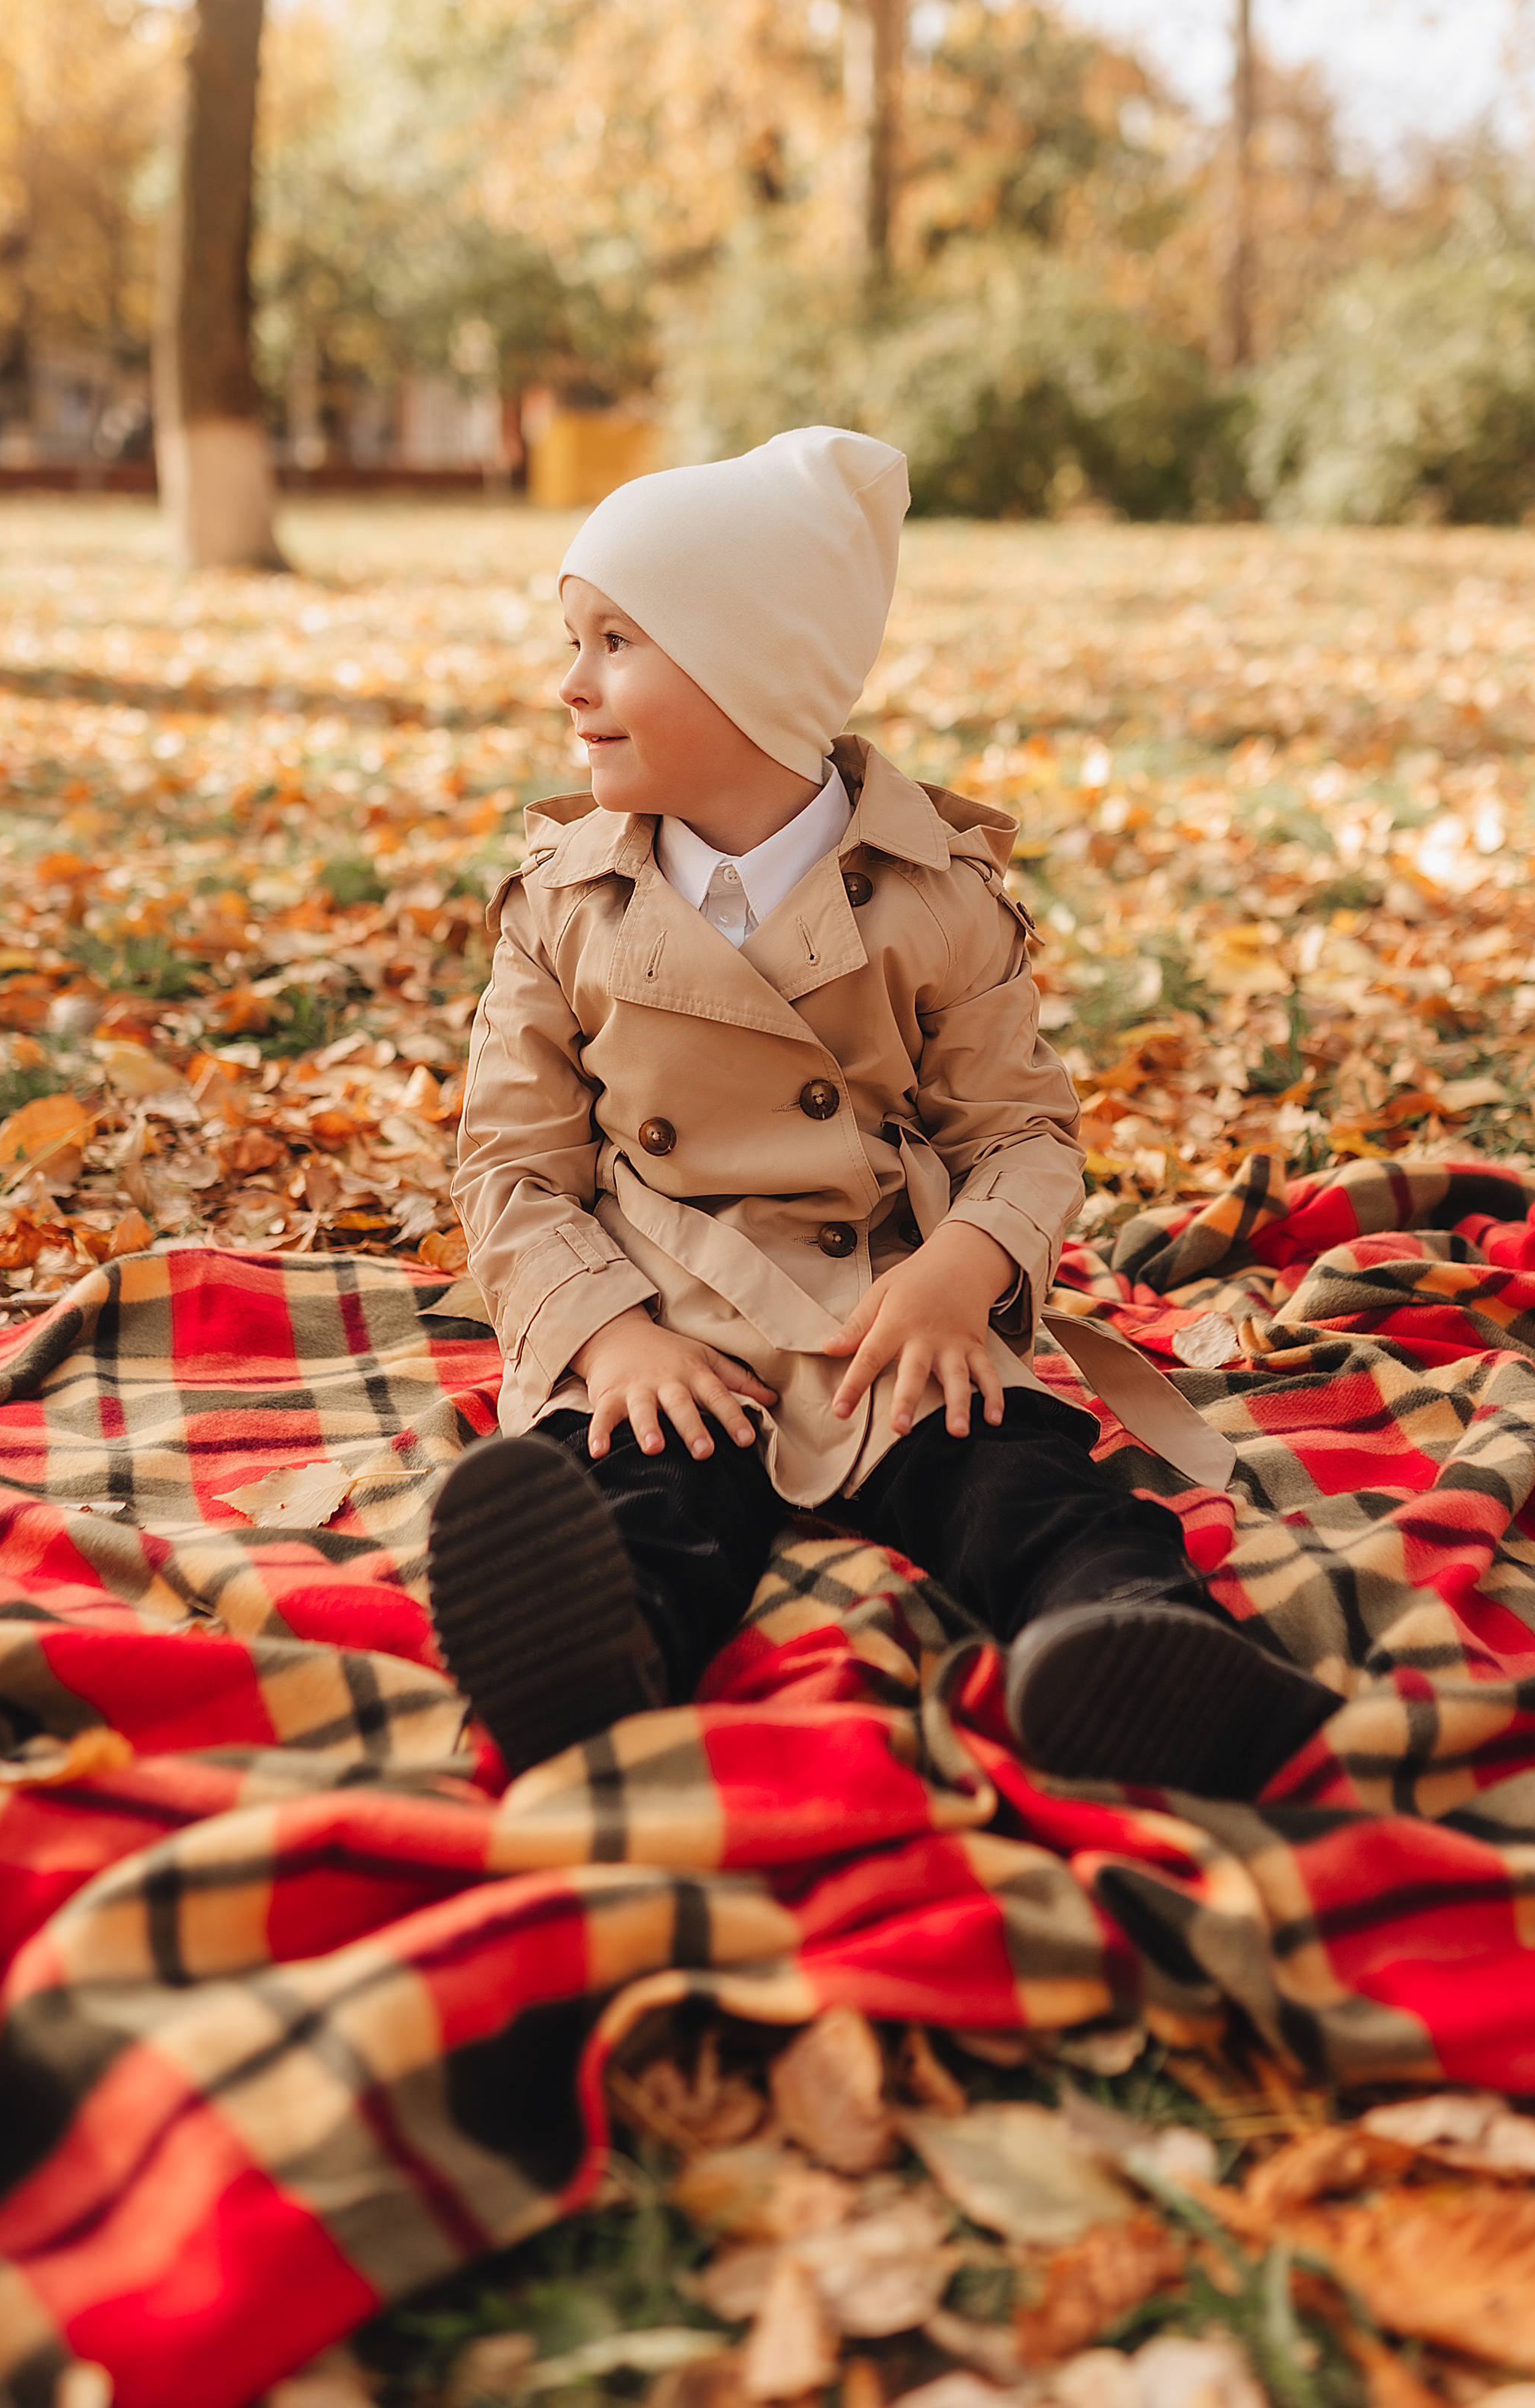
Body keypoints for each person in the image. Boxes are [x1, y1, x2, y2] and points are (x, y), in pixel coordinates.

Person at [428, 427, 1338, 1796]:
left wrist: (960, 1280)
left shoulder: (931, 898)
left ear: (749, 669)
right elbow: (511, 1165)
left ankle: (1128, 1647)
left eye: (615, 641)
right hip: (673, 1311)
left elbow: (1019, 1134)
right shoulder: (567, 905)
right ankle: (590, 1654)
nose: (570, 685)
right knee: (641, 1491)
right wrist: (607, 1344)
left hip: (892, 1318)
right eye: (576, 640)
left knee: (1021, 1485)